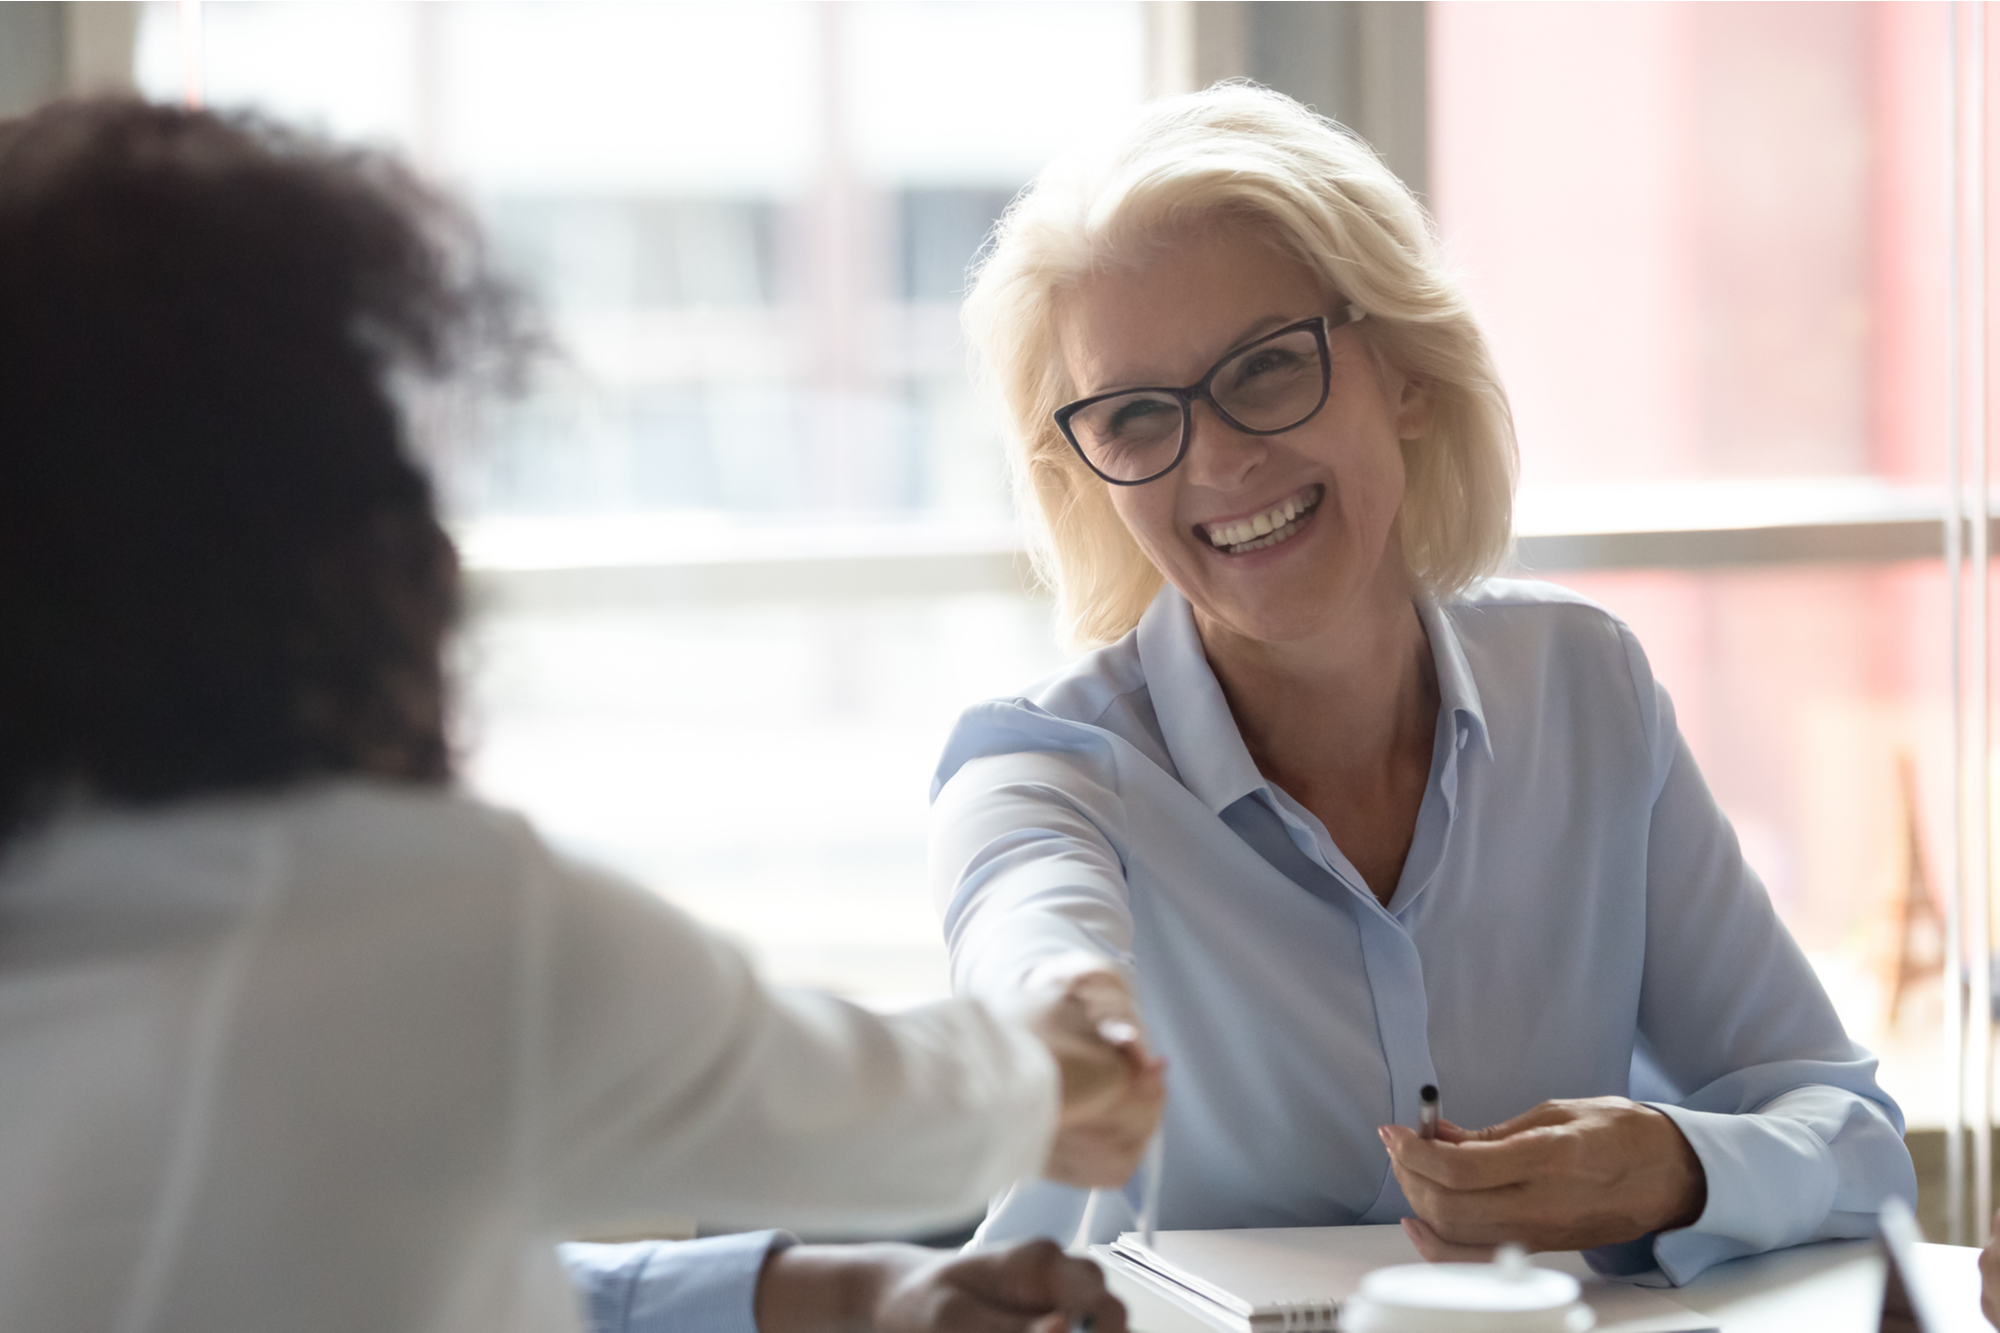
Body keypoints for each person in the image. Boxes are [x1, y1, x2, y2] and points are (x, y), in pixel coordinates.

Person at [0, 98, 1160, 1333]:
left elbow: (381, 1251)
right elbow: (862, 1103)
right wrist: (1048, 1066)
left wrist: (825, 1292)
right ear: (319, 551)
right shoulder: (426, 923)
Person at [930, 83, 1915, 1285]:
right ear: (1093, 472)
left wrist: (1674, 1168)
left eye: (1266, 367)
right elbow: (1027, 940)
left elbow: (1853, 1141)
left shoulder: (1584, 692)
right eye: (1137, 415)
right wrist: (1069, 1012)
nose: (1222, 457)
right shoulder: (1040, 768)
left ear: (1403, 373)